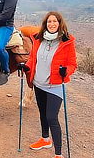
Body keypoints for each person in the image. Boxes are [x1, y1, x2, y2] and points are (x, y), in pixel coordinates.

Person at [24, 11, 77, 158]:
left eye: (54, 21)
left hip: (55, 86)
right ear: (45, 24)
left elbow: (73, 64)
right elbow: (33, 58)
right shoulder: (38, 39)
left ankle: (58, 154)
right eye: (49, 22)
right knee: (43, 113)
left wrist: (66, 71)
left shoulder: (67, 41)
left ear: (60, 23)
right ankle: (45, 139)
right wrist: (27, 66)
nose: (52, 24)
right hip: (38, 83)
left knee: (52, 117)